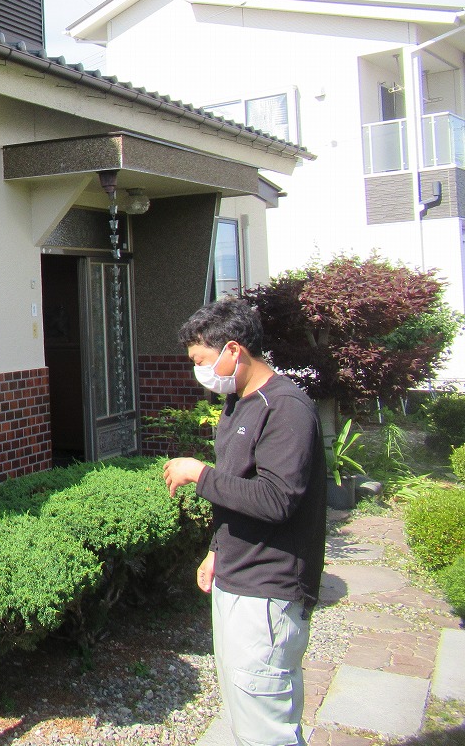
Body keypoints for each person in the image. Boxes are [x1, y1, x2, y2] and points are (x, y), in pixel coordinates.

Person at [163, 298, 326, 746]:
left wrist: (199, 474)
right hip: (236, 579)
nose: (199, 371)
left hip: (268, 592)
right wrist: (217, 550)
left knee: (266, 729)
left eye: (201, 360)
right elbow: (239, 490)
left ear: (233, 350)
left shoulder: (286, 408)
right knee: (245, 715)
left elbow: (277, 499)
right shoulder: (239, 404)